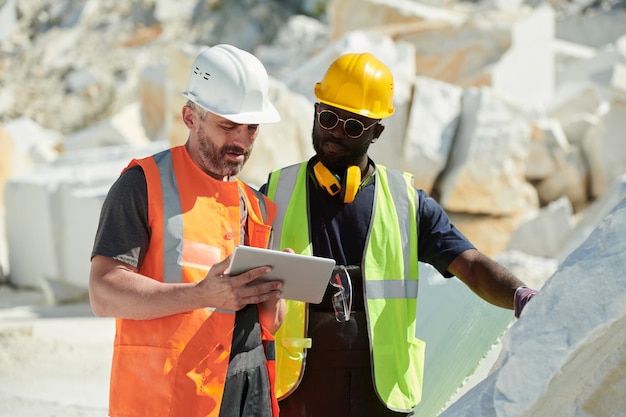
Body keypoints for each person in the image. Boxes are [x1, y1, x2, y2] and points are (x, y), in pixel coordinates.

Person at [260, 52, 539, 417]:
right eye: (328, 118)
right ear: (315, 112)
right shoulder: (275, 193)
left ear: (377, 131)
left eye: (353, 126)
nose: (335, 133)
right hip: (297, 392)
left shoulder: (407, 203)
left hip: (381, 396)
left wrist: (522, 297)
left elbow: (469, 265)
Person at [89, 44, 287, 417]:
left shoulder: (257, 205)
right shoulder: (142, 184)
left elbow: (270, 323)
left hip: (249, 391)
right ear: (190, 117)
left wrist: (277, 291)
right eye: (228, 125)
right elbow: (103, 293)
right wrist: (200, 294)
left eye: (252, 128)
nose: (242, 141)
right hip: (168, 397)